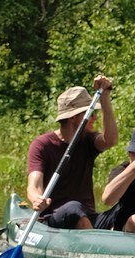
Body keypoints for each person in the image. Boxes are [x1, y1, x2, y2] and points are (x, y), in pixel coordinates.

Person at [26, 76, 118, 229]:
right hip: (55, 216)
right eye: (90, 114)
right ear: (75, 118)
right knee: (74, 208)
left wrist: (105, 97)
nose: (95, 118)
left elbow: (110, 140)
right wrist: (36, 199)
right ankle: (94, 247)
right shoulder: (42, 145)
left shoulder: (88, 140)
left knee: (124, 209)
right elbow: (34, 185)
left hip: (88, 215)